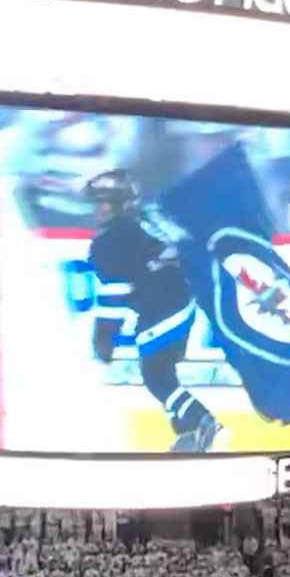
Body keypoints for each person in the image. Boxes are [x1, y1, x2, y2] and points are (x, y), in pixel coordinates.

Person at [82, 170, 219, 453]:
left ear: (115, 204)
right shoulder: (140, 226)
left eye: (101, 202)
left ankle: (200, 421)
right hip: (177, 301)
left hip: (163, 305)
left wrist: (103, 337)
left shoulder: (109, 240)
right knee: (161, 373)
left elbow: (115, 291)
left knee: (156, 375)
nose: (96, 209)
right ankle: (187, 433)